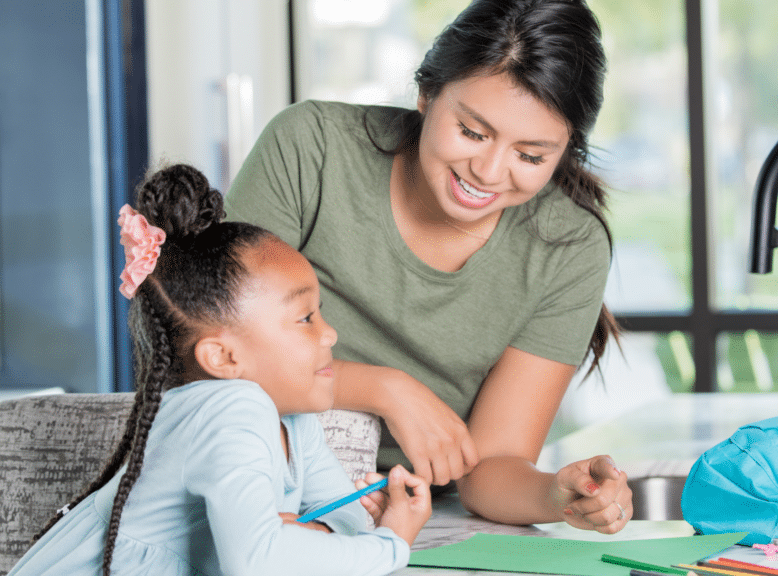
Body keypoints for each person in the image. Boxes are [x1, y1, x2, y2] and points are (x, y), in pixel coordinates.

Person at [226, 0, 631, 533]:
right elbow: (214, 350)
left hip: (404, 518)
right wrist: (387, 390)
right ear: (425, 93)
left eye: (530, 156)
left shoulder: (569, 245)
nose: (487, 172)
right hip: (251, 485)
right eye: (472, 131)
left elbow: (488, 471)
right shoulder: (311, 149)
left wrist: (558, 495)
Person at [9, 164, 431, 576]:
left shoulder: (295, 423)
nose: (330, 334)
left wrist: (312, 533)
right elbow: (258, 562)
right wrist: (390, 544)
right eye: (306, 318)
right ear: (223, 359)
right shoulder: (232, 408)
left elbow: (350, 519)